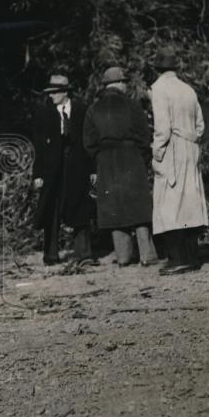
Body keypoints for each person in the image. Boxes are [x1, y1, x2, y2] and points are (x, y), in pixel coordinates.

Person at [83, 67, 158, 267]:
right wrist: (141, 156)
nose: (126, 85)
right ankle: (147, 255)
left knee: (114, 209)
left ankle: (123, 256)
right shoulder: (132, 105)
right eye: (124, 81)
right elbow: (144, 136)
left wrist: (100, 158)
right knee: (139, 208)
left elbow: (88, 143)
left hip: (106, 161)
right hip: (131, 157)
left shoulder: (94, 109)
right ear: (118, 84)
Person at [149, 49, 208, 275]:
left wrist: (156, 152)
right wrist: (191, 139)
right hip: (190, 146)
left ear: (157, 69)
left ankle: (178, 259)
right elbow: (201, 125)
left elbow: (162, 128)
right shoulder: (188, 89)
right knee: (189, 200)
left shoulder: (159, 89)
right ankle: (192, 256)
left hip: (172, 147)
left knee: (169, 202)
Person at [31, 73, 95, 266]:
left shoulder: (82, 110)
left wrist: (93, 169)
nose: (51, 96)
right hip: (52, 169)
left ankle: (84, 254)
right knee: (52, 208)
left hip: (77, 167)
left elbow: (89, 142)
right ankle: (51, 254)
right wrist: (38, 174)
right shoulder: (44, 113)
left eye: (55, 92)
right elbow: (39, 147)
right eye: (49, 93)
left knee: (80, 206)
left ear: (65, 92)